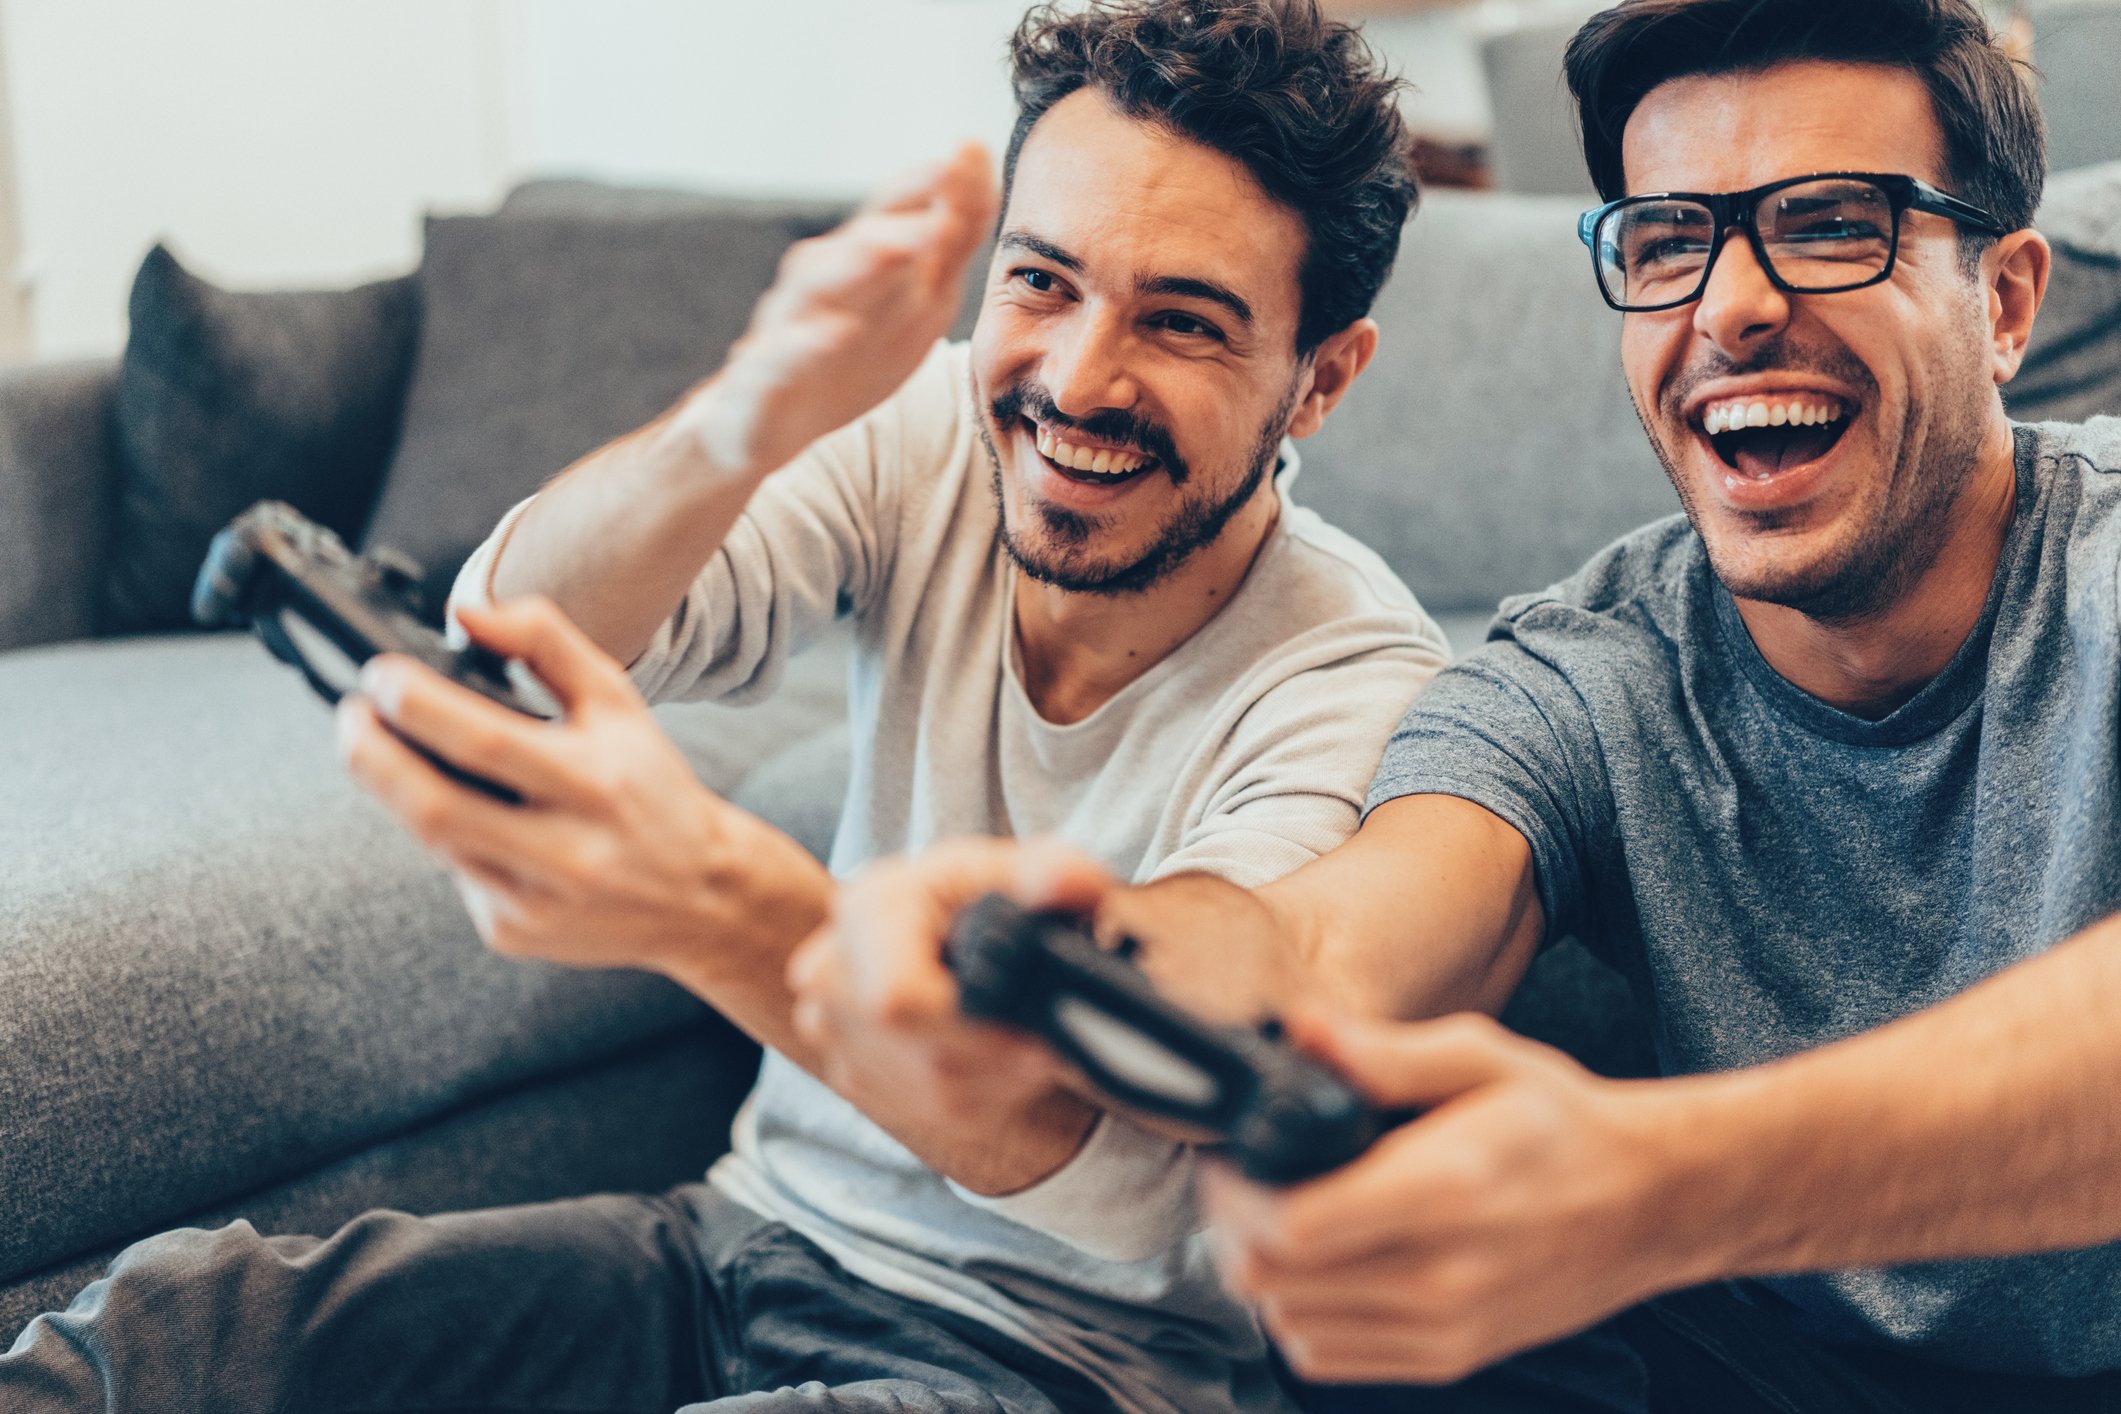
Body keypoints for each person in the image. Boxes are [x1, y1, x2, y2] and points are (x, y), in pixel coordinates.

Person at [0, 2, 1448, 1411]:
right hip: (736, 1241)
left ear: (1318, 378)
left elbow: (1094, 1168)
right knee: (178, 1325)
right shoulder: (937, 431)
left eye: (1181, 321)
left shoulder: (1356, 684)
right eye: (1040, 281)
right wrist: (743, 411)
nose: (1074, 378)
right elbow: (520, 638)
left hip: (1055, 1361)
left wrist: (699, 899)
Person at [788, 0, 2121, 1409]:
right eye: (1668, 242)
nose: (1727, 306)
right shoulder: (1585, 671)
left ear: (2005, 303)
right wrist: (1089, 960)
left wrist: (1669, 1181)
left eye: (1831, 223)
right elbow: (1329, 943)